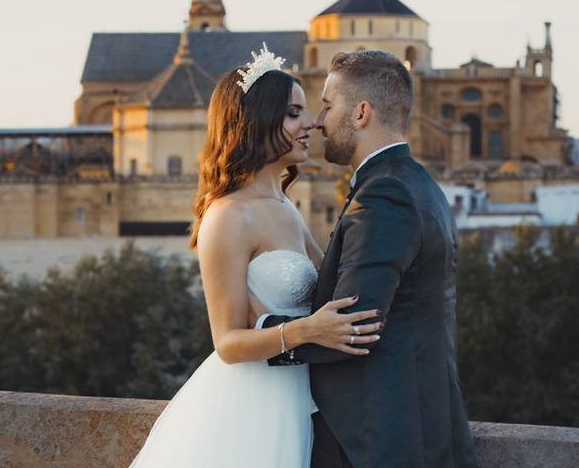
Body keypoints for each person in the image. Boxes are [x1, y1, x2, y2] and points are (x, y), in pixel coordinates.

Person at [130, 45, 382, 468]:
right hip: (251, 404)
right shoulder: (229, 215)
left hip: (298, 396)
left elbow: (329, 285)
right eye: (293, 113)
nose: (311, 124)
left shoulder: (284, 204)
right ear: (255, 121)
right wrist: (307, 330)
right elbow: (227, 342)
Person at [258, 50, 478, 468]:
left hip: (380, 443)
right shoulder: (417, 183)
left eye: (327, 105)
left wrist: (258, 337)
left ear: (361, 113)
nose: (318, 121)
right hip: (416, 430)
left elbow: (353, 326)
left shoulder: (385, 195)